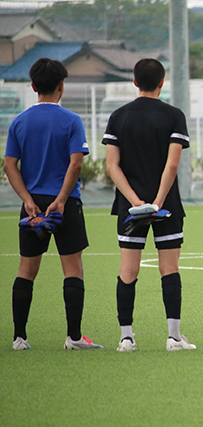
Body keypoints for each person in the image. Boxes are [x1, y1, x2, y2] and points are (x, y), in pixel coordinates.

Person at [4, 58, 102, 350]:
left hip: (32, 206)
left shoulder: (19, 121)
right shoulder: (72, 120)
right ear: (61, 86)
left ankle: (19, 338)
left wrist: (27, 200)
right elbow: (76, 164)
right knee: (73, 269)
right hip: (65, 204)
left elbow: (9, 165)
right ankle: (74, 337)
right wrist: (60, 199)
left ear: (33, 86)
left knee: (26, 270)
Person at [103, 58, 195, 352]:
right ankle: (173, 338)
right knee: (169, 268)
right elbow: (172, 165)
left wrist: (134, 201)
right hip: (167, 205)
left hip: (129, 207)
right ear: (162, 83)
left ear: (135, 82)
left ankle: (126, 338)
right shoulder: (174, 115)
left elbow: (112, 166)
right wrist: (157, 202)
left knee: (128, 270)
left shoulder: (118, 116)